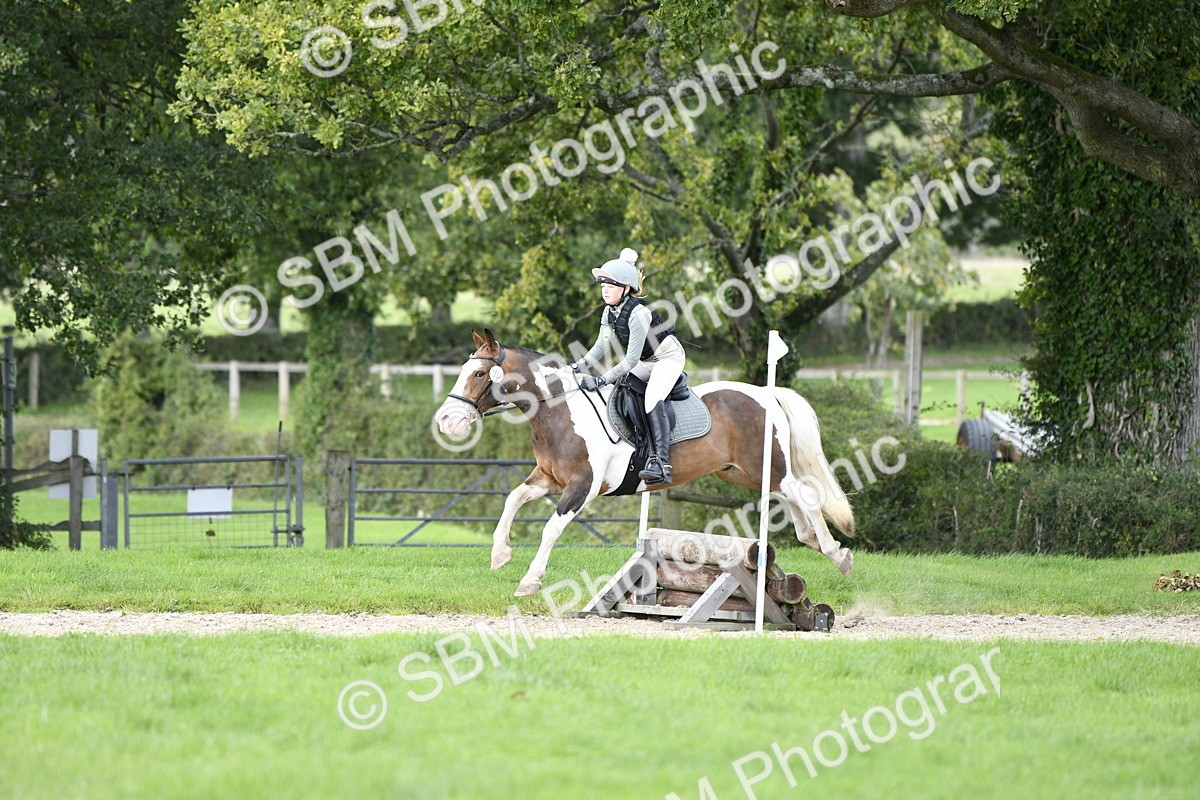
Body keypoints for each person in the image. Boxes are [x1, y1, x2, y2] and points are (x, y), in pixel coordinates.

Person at [571, 247, 684, 485]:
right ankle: (639, 446)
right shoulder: (609, 313)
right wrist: (578, 366)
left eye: (610, 286)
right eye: (602, 286)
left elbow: (630, 361)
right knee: (623, 388)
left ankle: (661, 462)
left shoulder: (638, 313)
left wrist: (601, 379)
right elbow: (601, 347)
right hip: (647, 362)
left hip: (667, 359)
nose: (605, 291)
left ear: (626, 288)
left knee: (653, 397)